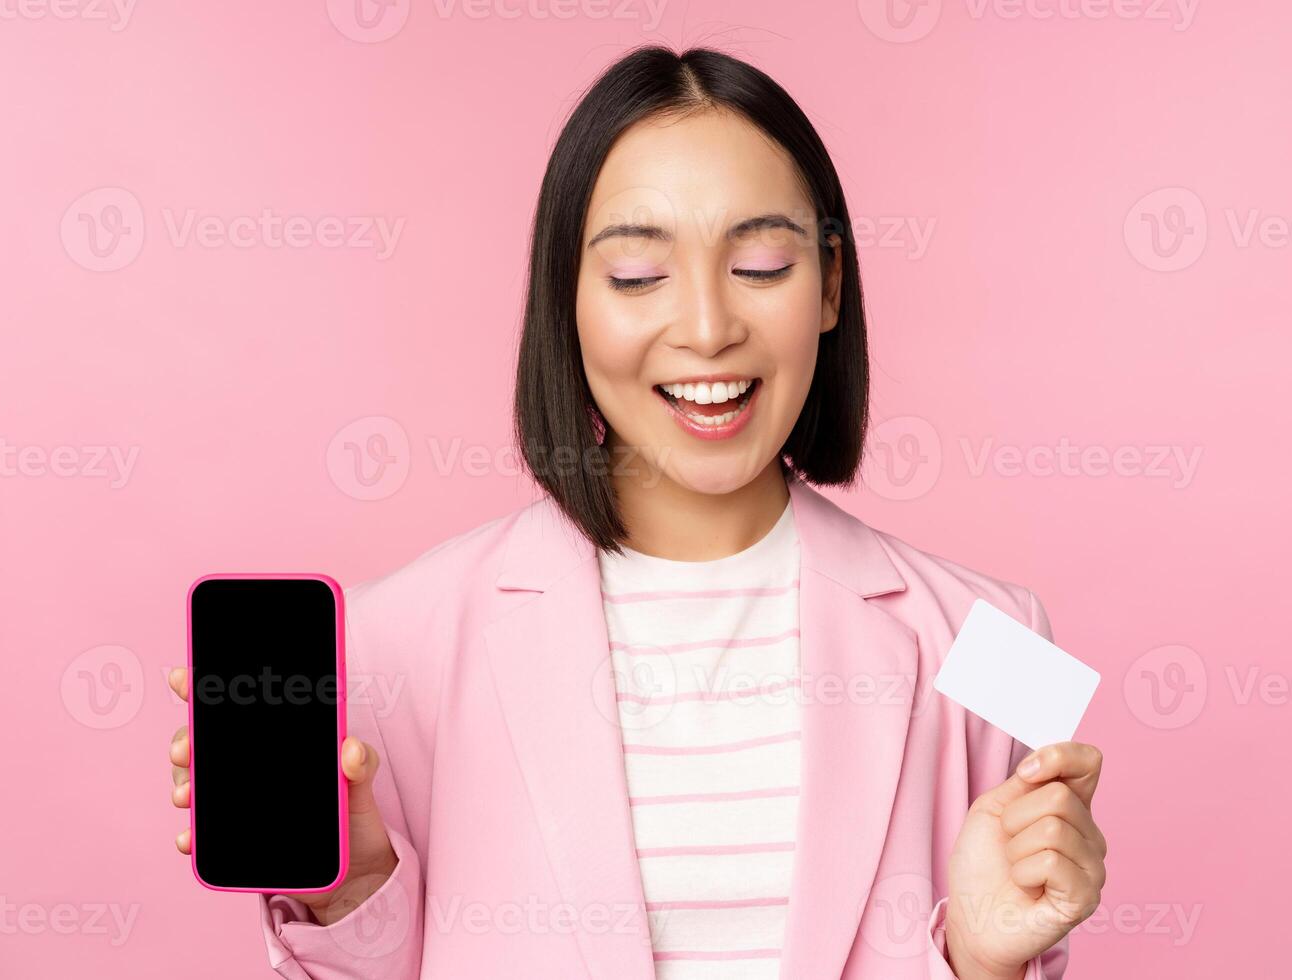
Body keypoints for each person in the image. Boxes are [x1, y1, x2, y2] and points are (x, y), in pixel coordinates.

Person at [167, 44, 1106, 980]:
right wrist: (347, 899)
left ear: (830, 284)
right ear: (565, 301)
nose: (706, 327)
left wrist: (985, 964)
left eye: (764, 264)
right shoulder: (382, 647)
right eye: (635, 278)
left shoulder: (1000, 642)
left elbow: (1024, 936)